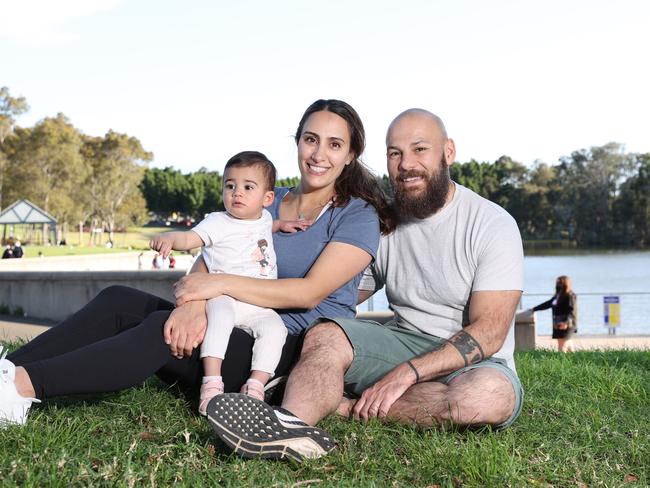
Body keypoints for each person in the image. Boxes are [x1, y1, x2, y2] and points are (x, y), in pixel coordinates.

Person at [0, 99, 391, 430]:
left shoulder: (357, 215)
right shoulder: (267, 197)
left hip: (281, 350)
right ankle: (7, 371)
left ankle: (21, 388)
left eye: (334, 144)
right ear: (298, 141)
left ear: (351, 154)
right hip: (230, 318)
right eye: (311, 139)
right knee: (119, 299)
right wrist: (195, 304)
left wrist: (214, 287)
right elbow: (211, 252)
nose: (319, 154)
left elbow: (307, 295)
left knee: (159, 330)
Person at [206, 108, 525, 462]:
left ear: (448, 152)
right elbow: (342, 292)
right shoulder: (384, 223)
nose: (406, 164)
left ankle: (345, 407)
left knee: (489, 397)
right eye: (395, 153)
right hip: (401, 341)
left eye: (420, 150)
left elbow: (490, 332)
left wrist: (409, 374)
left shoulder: (492, 224)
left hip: (475, 361)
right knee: (327, 334)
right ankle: (287, 426)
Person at [149, 151, 301, 413]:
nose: (237, 193)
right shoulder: (217, 222)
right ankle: (211, 382)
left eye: (247, 187)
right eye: (230, 186)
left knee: (276, 329)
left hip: (256, 304)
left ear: (267, 199)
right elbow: (191, 239)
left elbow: (266, 226)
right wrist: (171, 238)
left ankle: (256, 385)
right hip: (224, 296)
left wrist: (282, 225)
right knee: (218, 318)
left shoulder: (264, 218)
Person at [532, 275, 577, 352]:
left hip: (566, 325)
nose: (558, 284)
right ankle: (576, 361)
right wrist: (534, 309)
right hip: (558, 323)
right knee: (568, 345)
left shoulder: (570, 295)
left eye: (560, 282)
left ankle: (562, 363)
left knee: (562, 347)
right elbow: (548, 304)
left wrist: (565, 323)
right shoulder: (558, 295)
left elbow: (572, 311)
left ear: (566, 283)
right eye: (557, 282)